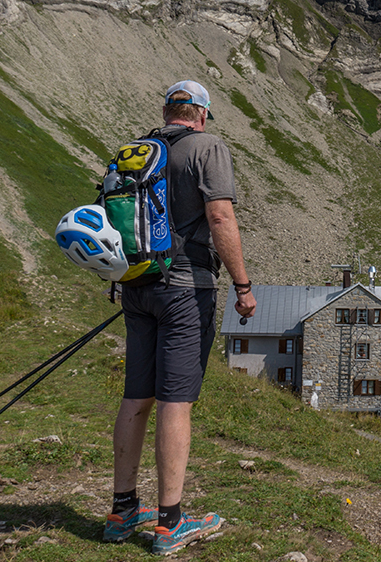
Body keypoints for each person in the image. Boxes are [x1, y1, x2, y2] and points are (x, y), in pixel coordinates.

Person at [104, 80, 257, 555]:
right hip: (185, 290)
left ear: (168, 111)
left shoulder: (138, 152)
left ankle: (122, 509)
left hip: (136, 285)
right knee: (176, 400)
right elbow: (221, 219)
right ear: (202, 114)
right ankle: (170, 521)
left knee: (137, 396)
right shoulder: (207, 147)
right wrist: (243, 286)